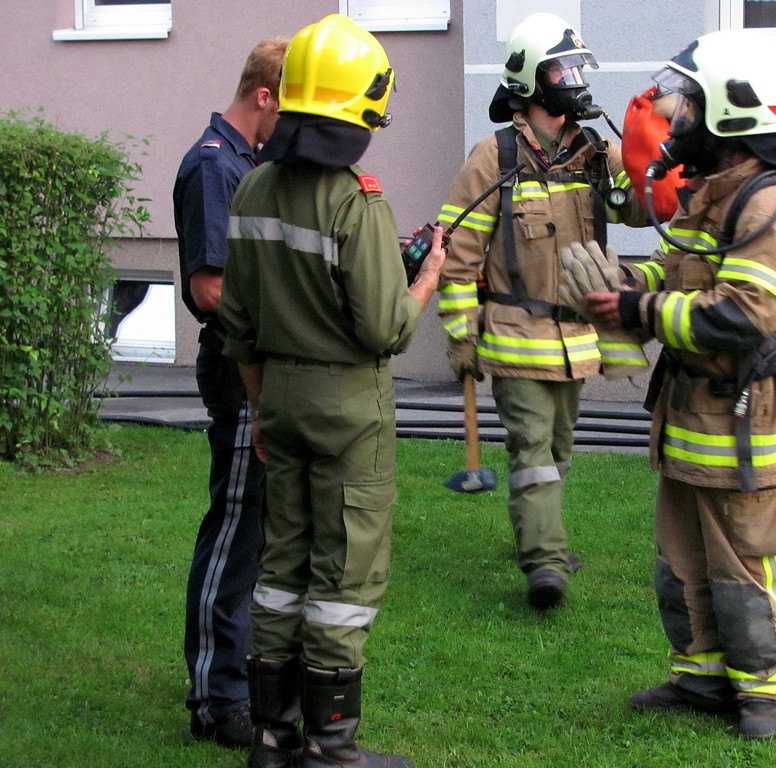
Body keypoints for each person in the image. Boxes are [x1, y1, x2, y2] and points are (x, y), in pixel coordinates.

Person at [562, 29, 776, 739]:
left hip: (745, 420)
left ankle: (764, 691)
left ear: (733, 110)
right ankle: (700, 676)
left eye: (693, 105)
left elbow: (744, 313)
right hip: (691, 416)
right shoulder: (710, 193)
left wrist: (638, 311)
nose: (678, 119)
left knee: (747, 562)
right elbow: (678, 271)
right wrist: (623, 284)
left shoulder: (769, 206)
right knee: (683, 562)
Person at [218, 15, 445, 768]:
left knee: (281, 566)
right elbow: (385, 328)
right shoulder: (358, 202)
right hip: (349, 409)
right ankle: (331, 748)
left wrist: (258, 405)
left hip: (276, 398)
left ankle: (271, 739)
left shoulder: (251, 187)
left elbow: (237, 323)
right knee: (346, 573)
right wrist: (426, 278)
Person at [436, 11, 649, 611]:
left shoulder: (595, 153)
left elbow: (642, 210)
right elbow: (458, 254)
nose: (575, 79)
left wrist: (646, 156)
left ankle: (541, 531)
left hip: (576, 342)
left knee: (557, 450)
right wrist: (461, 335)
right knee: (531, 449)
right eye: (563, 69)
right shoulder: (494, 158)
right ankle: (546, 563)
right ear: (531, 80)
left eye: (578, 67)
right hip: (515, 336)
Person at [172, 35, 288, 750]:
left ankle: (236, 677)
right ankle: (216, 699)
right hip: (236, 369)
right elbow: (209, 288)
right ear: (263, 95)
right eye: (289, 107)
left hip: (263, 367)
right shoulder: (214, 166)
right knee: (235, 536)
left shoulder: (250, 162)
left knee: (259, 537)